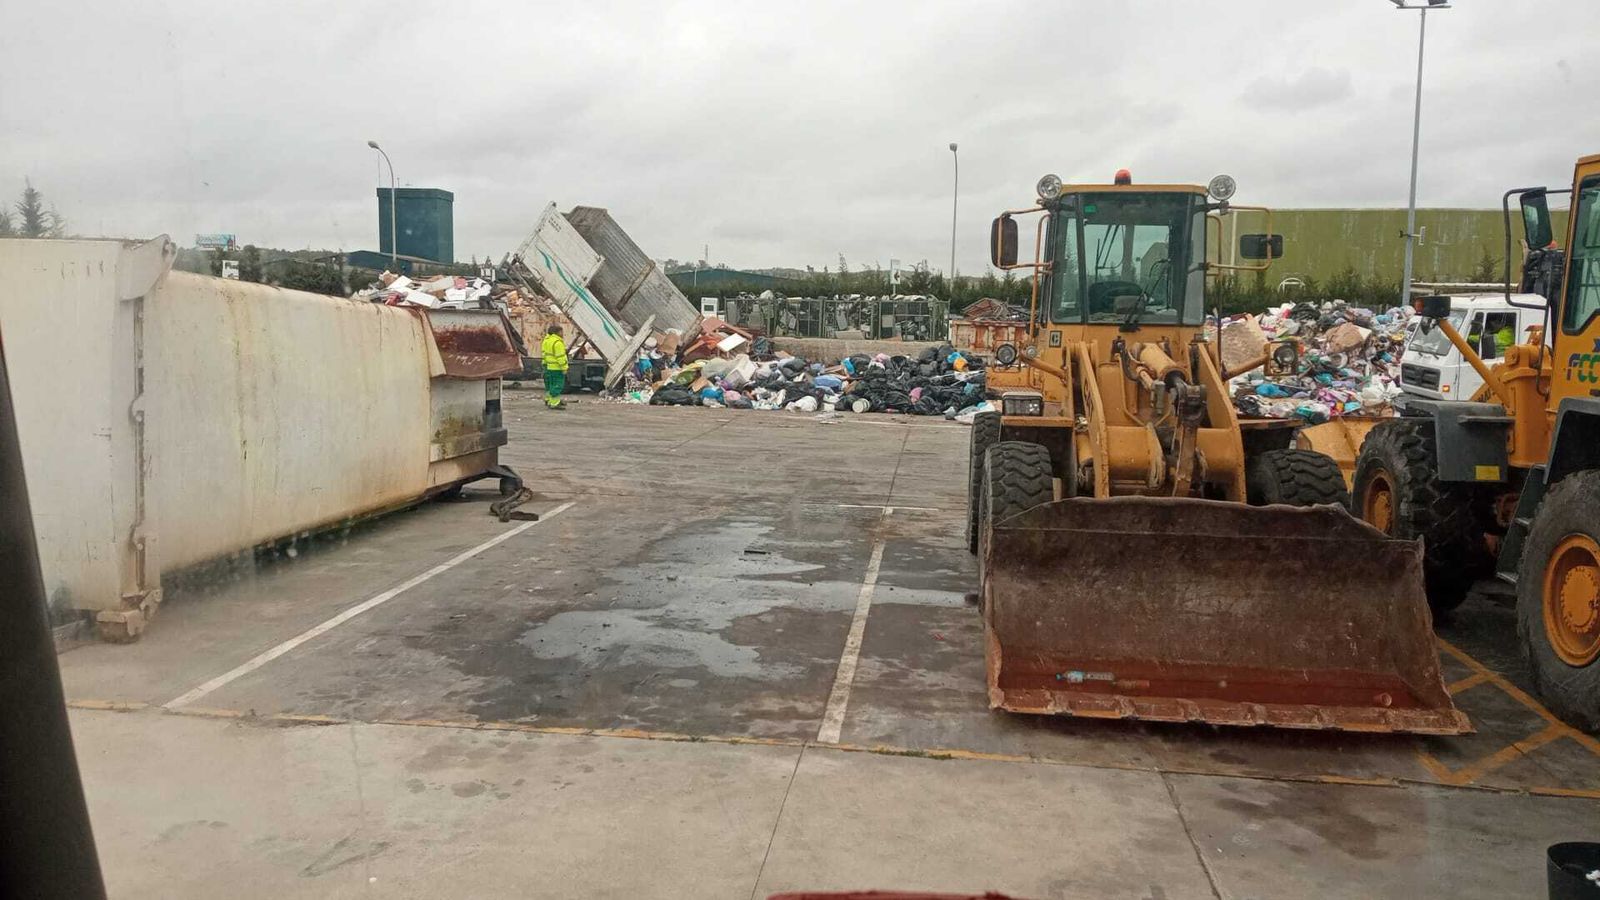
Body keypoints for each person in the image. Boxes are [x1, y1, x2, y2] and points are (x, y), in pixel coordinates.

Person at [540, 324, 568, 410]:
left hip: (549, 366)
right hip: (557, 368)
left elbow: (545, 354)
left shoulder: (548, 341)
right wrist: (564, 368)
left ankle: (550, 400)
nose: (563, 333)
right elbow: (560, 357)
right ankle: (554, 403)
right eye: (561, 331)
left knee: (551, 384)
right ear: (558, 332)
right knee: (557, 385)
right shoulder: (557, 342)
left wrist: (545, 364)